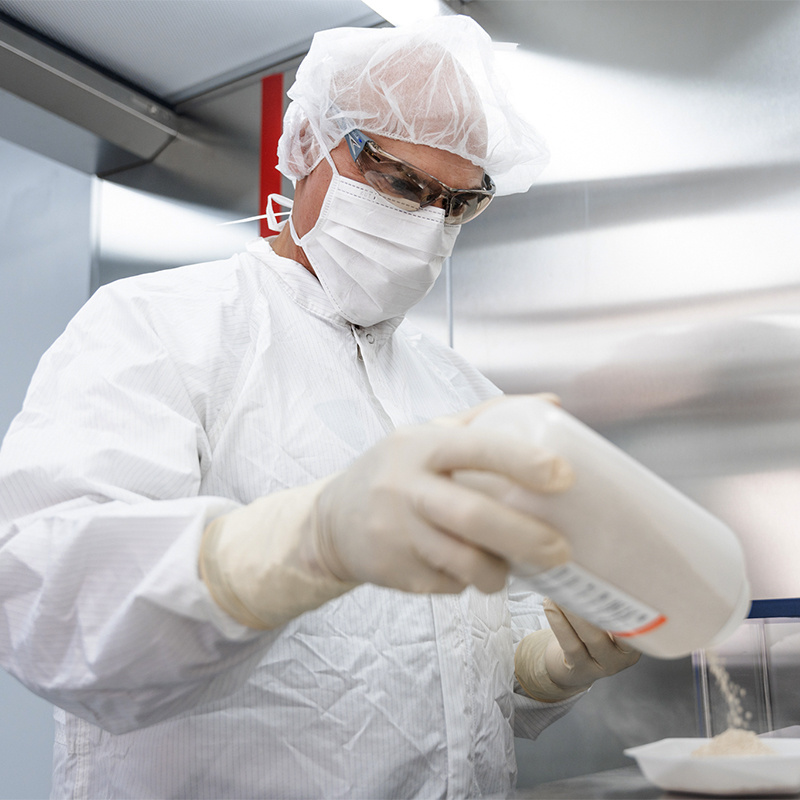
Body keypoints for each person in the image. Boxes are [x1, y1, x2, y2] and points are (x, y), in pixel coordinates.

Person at [0, 16, 639, 799]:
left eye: (458, 204)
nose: (426, 227)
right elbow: (48, 604)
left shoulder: (462, 393)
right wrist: (303, 542)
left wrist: (543, 666)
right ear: (305, 147)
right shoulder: (156, 326)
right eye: (401, 183)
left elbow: (466, 661)